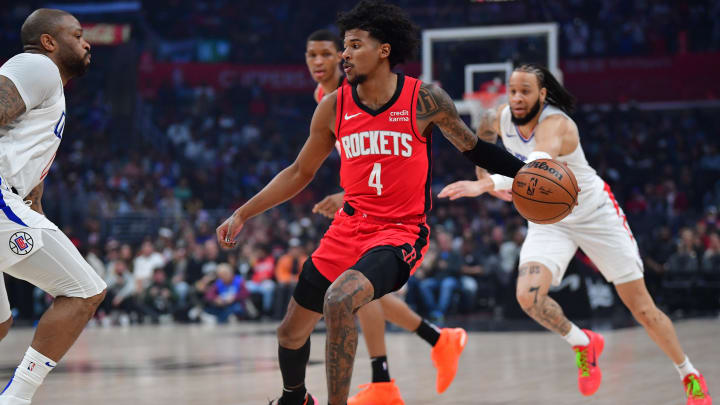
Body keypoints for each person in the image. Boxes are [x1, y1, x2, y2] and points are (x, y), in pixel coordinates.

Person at [216, 2, 525, 404]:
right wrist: (243, 213)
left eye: (354, 45)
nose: (343, 54)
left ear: (383, 50)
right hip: (347, 227)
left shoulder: (424, 100)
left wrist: (525, 172)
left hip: (399, 233)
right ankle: (295, 398)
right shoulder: (334, 106)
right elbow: (298, 173)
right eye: (343, 46)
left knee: (342, 299)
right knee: (289, 333)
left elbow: (476, 149)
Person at [439, 64, 712, 404]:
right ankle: (584, 342)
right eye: (512, 91)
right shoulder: (499, 116)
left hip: (595, 215)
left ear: (543, 94)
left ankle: (689, 373)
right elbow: (483, 133)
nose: (517, 98)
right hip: (549, 219)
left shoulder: (557, 125)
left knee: (642, 309)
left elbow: (535, 173)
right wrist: (482, 168)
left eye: (526, 91)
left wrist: (486, 183)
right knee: (529, 297)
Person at [306, 29, 468, 403]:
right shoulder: (329, 98)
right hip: (362, 213)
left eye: (328, 54)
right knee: (354, 296)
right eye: (311, 55)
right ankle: (434, 343)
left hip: (396, 216)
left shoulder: (374, 91)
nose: (320, 62)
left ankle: (387, 380)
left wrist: (348, 194)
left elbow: (388, 156)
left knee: (355, 296)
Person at [0, 9, 107, 405]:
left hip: (12, 194)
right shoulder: (37, 66)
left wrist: (36, 207)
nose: (86, 42)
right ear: (49, 41)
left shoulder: (48, 89)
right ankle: (15, 400)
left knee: (0, 323)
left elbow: (27, 172)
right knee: (85, 291)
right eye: (77, 35)